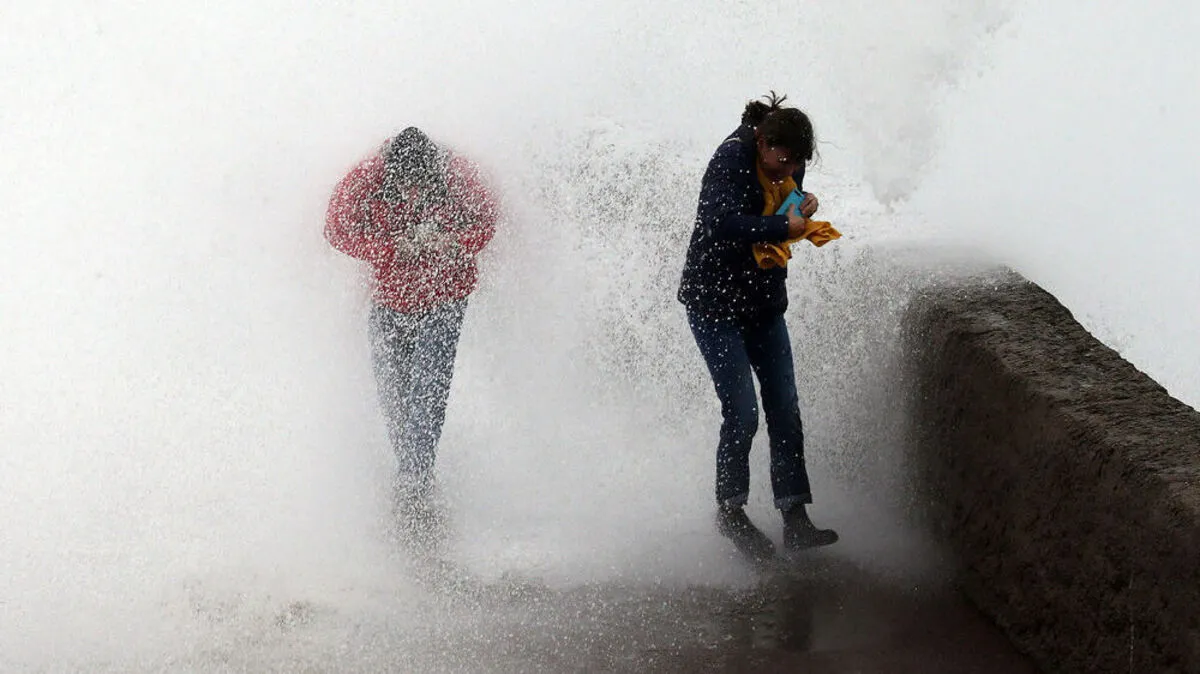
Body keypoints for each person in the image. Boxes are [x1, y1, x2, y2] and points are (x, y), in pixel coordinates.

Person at [678, 93, 839, 561]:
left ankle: (795, 518)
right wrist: (781, 229)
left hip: (763, 303)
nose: (784, 169)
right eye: (780, 160)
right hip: (714, 305)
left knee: (785, 408)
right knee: (744, 413)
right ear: (763, 141)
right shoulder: (731, 157)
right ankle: (730, 514)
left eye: (795, 164)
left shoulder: (788, 163)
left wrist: (800, 208)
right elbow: (719, 222)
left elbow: (783, 213)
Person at [326, 127, 498, 513]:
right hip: (390, 296)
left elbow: (488, 222)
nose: (413, 194)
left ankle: (415, 478)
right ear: (390, 174)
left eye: (421, 185)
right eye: (406, 185)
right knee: (392, 387)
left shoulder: (460, 175)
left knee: (429, 383)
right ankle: (411, 467)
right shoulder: (365, 177)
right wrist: (388, 248)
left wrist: (454, 242)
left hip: (446, 294)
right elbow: (334, 229)